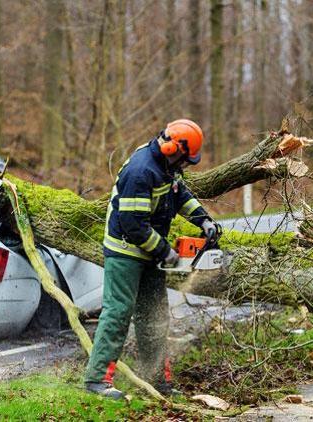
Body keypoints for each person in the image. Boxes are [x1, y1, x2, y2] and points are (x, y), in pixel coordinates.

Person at [83, 119, 218, 399]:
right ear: (174, 148)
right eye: (186, 159)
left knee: (154, 316)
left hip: (151, 251)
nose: (187, 165)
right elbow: (133, 224)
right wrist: (165, 251)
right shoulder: (141, 171)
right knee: (118, 313)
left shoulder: (168, 167)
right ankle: (96, 380)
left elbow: (180, 195)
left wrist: (203, 220)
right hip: (125, 252)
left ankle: (156, 379)